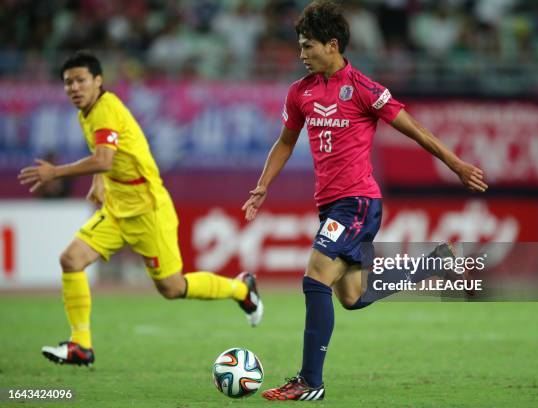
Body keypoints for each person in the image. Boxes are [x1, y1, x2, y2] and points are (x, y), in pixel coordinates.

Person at [241, 1, 487, 401]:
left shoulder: (364, 89)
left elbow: (416, 131)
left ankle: (309, 381)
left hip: (357, 202)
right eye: (300, 47)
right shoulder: (299, 92)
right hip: (331, 205)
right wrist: (263, 184)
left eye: (308, 46)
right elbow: (285, 141)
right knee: (352, 296)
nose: (301, 54)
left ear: (332, 45)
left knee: (316, 273)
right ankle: (434, 263)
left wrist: (456, 164)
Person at [18, 51, 263, 367]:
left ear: (97, 81)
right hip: (118, 207)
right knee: (71, 259)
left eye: (80, 80)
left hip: (148, 209)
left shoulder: (105, 110)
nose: (74, 88)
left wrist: (56, 172)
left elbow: (104, 158)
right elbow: (108, 157)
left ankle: (240, 288)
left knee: (172, 288)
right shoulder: (87, 113)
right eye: (68, 83)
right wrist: (100, 181)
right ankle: (81, 344)